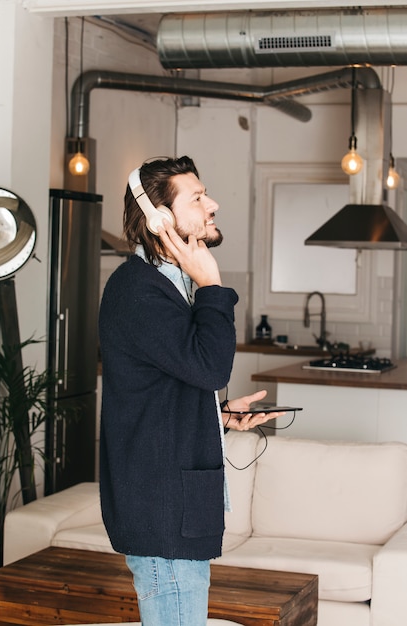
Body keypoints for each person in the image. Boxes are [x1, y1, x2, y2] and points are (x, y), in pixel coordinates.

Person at [98, 156, 283, 626]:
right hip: (163, 513)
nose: (213, 204)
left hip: (174, 506)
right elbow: (211, 365)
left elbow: (170, 385)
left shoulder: (167, 287)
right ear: (158, 217)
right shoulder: (138, 291)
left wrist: (216, 414)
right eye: (198, 197)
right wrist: (212, 284)